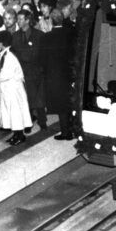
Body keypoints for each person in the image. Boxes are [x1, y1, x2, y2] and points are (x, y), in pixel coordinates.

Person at [0, 31, 33, 145]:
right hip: (7, 89)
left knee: (15, 112)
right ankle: (16, 134)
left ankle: (20, 135)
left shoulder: (9, 56)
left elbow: (6, 74)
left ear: (1, 43)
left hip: (13, 88)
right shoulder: (2, 53)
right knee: (10, 112)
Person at [11, 10, 47, 130]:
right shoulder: (15, 36)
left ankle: (42, 120)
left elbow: (43, 53)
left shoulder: (39, 35)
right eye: (18, 19)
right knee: (26, 98)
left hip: (36, 71)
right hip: (23, 72)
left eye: (21, 19)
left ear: (27, 20)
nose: (19, 21)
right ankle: (28, 122)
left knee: (39, 98)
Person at [43, 9, 74, 140]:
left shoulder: (47, 37)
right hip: (70, 73)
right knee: (72, 102)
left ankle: (66, 132)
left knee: (62, 106)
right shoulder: (71, 33)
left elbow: (42, 59)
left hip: (55, 76)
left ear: (51, 21)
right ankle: (74, 129)